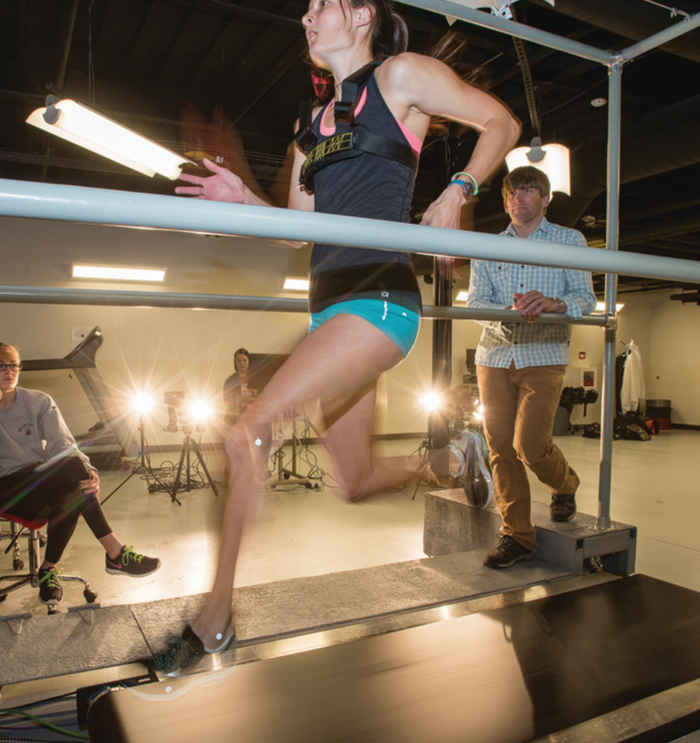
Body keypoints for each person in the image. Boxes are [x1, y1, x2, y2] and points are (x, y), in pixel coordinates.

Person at [149, 0, 520, 674]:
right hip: (329, 310)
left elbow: (502, 121)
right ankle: (449, 463)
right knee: (351, 481)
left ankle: (214, 621)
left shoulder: (401, 77)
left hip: (379, 302)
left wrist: (459, 188)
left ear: (361, 16)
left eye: (322, 4)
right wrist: (244, 202)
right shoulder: (308, 129)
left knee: (246, 432)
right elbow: (298, 231)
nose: (307, 16)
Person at [0, 342, 161, 605]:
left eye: (14, 365)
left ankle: (48, 568)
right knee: (70, 470)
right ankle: (115, 553)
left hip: (39, 483)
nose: (8, 371)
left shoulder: (38, 401)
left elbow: (62, 443)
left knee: (72, 483)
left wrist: (88, 471)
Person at [467, 165, 596, 569]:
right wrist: (501, 313)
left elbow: (585, 301)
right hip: (494, 356)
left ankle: (565, 483)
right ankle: (517, 535)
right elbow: (474, 303)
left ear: (545, 199)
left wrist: (554, 304)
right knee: (501, 449)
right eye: (509, 193)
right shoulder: (489, 247)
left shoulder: (568, 240)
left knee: (530, 445)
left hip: (544, 355)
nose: (516, 199)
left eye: (526, 191)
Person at [222, 348, 258, 428]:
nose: (242, 363)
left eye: (244, 360)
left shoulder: (256, 380)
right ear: (235, 362)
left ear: (249, 361)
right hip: (234, 421)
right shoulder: (230, 381)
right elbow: (227, 402)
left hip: (253, 420)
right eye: (239, 360)